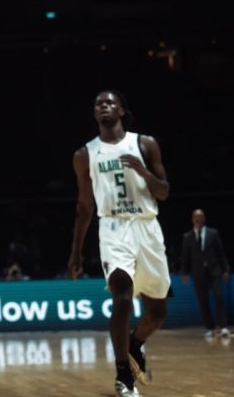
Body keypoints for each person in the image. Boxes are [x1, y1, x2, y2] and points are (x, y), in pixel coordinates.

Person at [69, 90, 171, 397]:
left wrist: (142, 172)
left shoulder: (145, 144)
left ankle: (135, 344)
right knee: (122, 294)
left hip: (146, 226)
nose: (103, 106)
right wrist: (76, 252)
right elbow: (84, 206)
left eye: (110, 102)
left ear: (122, 110)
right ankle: (123, 376)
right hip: (112, 227)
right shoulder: (85, 154)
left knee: (157, 313)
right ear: (94, 113)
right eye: (98, 103)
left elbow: (164, 192)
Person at [180, 208, 230, 339]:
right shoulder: (187, 236)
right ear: (192, 219)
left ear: (204, 218)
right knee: (203, 301)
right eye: (195, 217)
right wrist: (184, 272)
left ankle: (223, 326)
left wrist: (225, 268)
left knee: (219, 297)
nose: (198, 219)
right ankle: (209, 328)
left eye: (200, 217)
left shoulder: (213, 233)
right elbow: (185, 256)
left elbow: (220, 252)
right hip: (198, 273)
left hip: (214, 271)